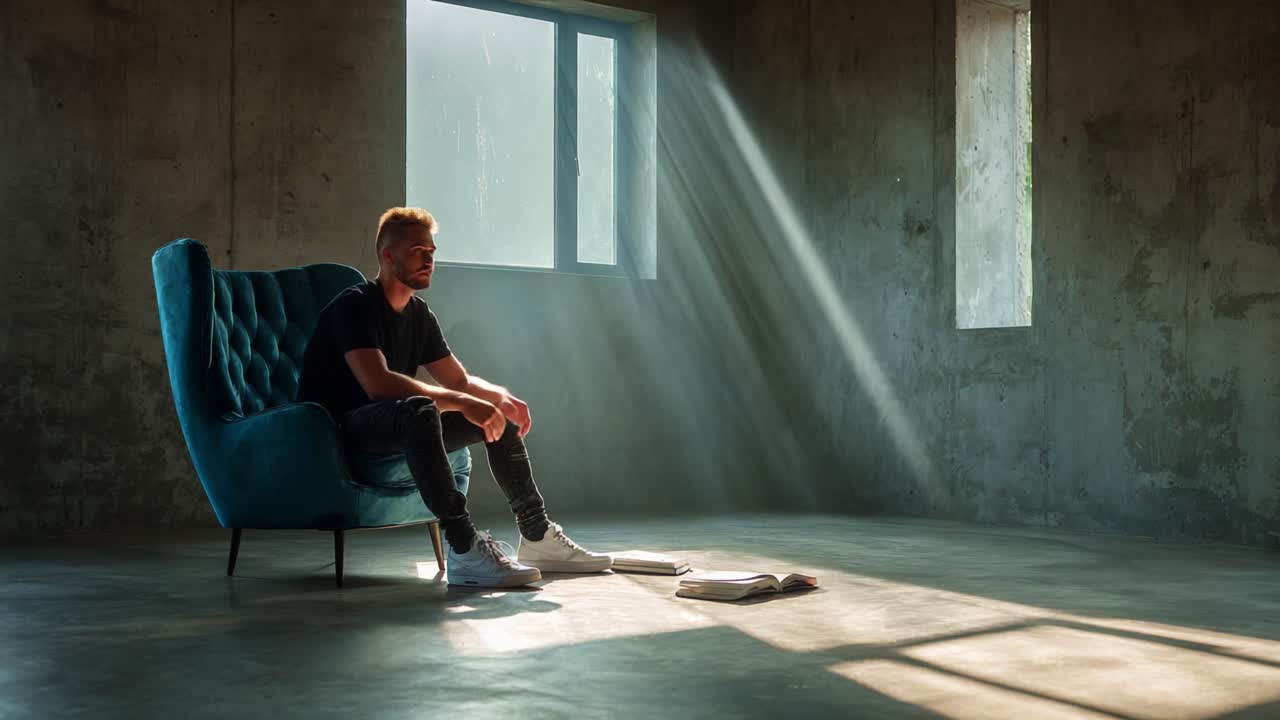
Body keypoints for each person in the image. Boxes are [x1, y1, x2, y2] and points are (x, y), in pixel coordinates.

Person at [297, 206, 611, 587]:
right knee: (419, 410)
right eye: (417, 249)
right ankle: (462, 549)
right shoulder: (354, 305)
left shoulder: (418, 314)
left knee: (490, 413)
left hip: (393, 425)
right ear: (388, 255)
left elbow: (457, 379)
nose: (429, 257)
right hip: (338, 432)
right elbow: (378, 385)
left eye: (431, 250)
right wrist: (463, 403)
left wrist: (501, 399)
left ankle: (537, 535)